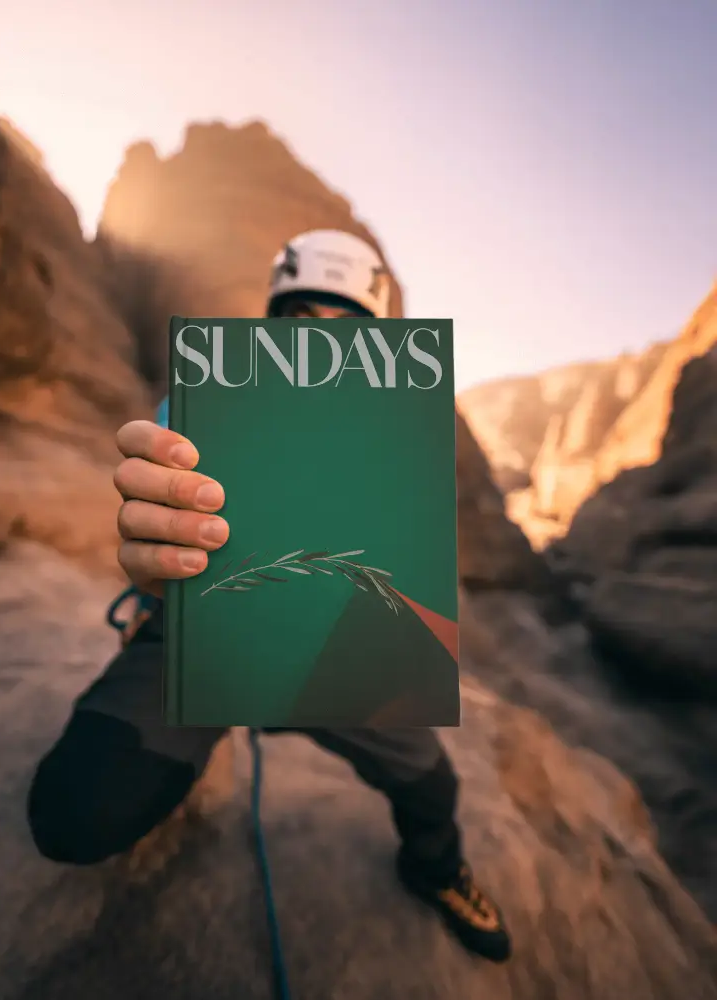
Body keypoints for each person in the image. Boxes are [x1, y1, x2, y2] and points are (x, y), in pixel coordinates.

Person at [27, 229, 512, 963]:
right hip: (198, 632)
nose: (319, 341)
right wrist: (152, 566)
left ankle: (436, 869)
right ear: (273, 320)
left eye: (345, 329)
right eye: (299, 319)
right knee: (74, 815)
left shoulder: (391, 436)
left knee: (433, 790)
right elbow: (156, 508)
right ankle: (202, 735)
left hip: (350, 656)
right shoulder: (202, 405)